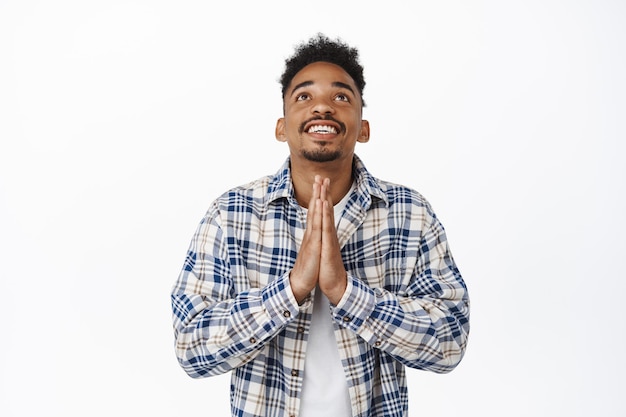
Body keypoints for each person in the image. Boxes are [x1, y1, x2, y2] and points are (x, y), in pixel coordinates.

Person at [171, 33, 469, 417]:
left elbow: (449, 344)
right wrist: (291, 289)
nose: (323, 108)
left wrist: (346, 293)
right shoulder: (231, 213)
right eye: (304, 97)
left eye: (341, 97)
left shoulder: (410, 213)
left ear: (363, 128)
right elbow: (192, 349)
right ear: (282, 127)